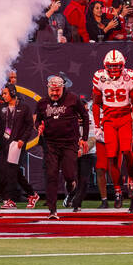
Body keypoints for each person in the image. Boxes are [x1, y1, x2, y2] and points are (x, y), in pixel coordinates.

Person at [34, 75, 90, 219]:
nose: (54, 93)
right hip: (50, 144)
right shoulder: (42, 103)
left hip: (69, 143)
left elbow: (84, 116)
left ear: (63, 88)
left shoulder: (72, 98)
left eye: (57, 91)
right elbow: (37, 120)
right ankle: (52, 210)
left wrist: (83, 139)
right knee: (51, 175)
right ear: (47, 88)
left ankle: (71, 183)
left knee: (69, 174)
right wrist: (38, 127)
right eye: (52, 90)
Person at [92, 50, 133, 210]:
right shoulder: (99, 76)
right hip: (109, 119)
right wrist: (97, 126)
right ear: (106, 66)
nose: (113, 70)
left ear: (123, 66)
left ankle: (132, 179)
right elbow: (96, 103)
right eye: (111, 66)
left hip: (125, 117)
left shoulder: (130, 76)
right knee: (112, 156)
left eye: (116, 66)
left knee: (127, 151)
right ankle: (118, 191)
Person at [0, 82, 38, 209]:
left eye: (5, 93)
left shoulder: (24, 108)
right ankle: (32, 194)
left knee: (11, 171)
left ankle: (9, 199)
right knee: (10, 171)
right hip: (5, 144)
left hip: (18, 144)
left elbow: (29, 126)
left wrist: (23, 139)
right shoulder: (1, 109)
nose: (3, 96)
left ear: (12, 93)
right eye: (2, 94)